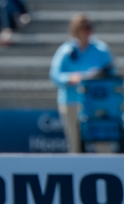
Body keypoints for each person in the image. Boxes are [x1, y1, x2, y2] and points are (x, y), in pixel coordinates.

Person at [49, 13, 114, 153]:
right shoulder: (65, 51)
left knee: (102, 143)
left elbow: (112, 73)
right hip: (71, 101)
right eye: (82, 29)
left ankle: (106, 166)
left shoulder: (101, 49)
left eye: (88, 28)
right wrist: (70, 78)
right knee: (75, 145)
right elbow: (55, 75)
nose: (85, 33)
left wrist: (98, 76)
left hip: (96, 101)